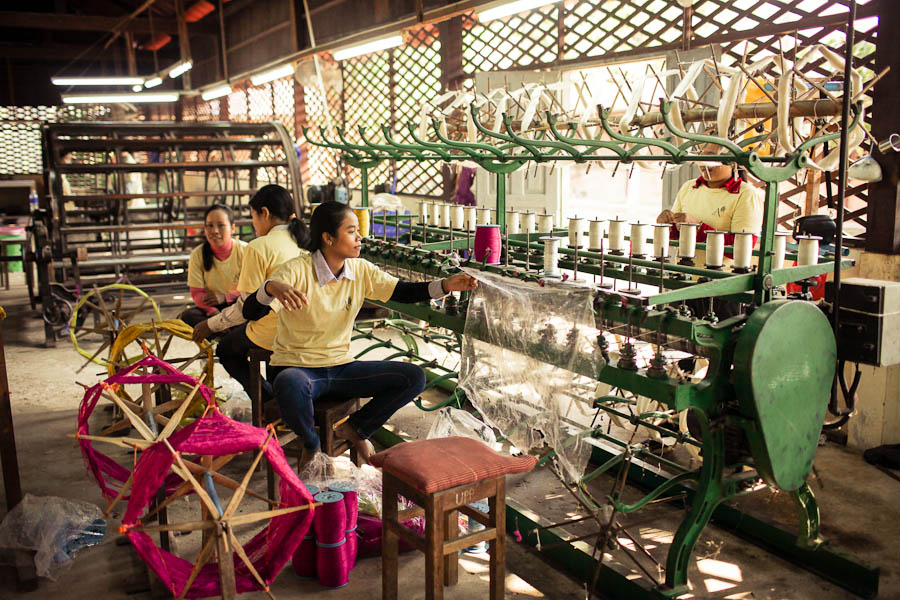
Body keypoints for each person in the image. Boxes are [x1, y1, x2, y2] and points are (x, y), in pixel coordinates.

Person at [243, 201, 477, 467]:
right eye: (352, 231)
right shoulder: (296, 270)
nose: (360, 237)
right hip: (299, 369)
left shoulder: (360, 270)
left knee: (413, 377)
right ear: (328, 238)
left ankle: (356, 428)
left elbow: (401, 291)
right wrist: (270, 287)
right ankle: (311, 443)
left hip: (341, 367)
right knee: (288, 383)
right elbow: (251, 312)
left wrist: (445, 285)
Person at [192, 184, 310, 406]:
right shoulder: (304, 241)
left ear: (264, 213)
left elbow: (247, 308)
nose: (254, 223)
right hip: (306, 325)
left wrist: (211, 325)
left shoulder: (258, 246)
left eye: (253, 216)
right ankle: (274, 396)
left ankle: (267, 401)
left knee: (226, 349)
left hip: (275, 331)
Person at [657, 159, 764, 320]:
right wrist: (667, 224)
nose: (706, 165)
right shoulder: (689, 187)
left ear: (733, 163)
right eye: (703, 159)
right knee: (675, 337)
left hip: (723, 289)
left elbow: (740, 249)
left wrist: (698, 227)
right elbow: (676, 236)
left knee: (715, 342)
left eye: (714, 159)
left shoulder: (746, 194)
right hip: (686, 280)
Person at [180, 204, 247, 329]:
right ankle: (226, 332)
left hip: (239, 304)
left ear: (232, 228)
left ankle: (224, 332)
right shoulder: (197, 254)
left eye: (221, 225)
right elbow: (197, 294)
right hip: (214, 309)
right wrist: (214, 314)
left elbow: (253, 289)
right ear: (204, 229)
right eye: (210, 225)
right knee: (189, 316)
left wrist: (225, 297)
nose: (215, 231)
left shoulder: (246, 250)